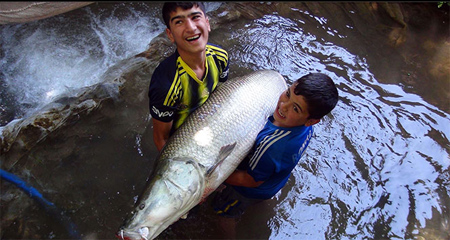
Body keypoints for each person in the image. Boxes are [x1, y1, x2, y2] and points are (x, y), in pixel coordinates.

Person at [211, 73, 339, 235]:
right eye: (287, 93)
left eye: (295, 108)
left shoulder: (272, 146)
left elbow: (251, 180)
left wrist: (214, 177)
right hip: (273, 184)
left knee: (224, 214)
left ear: (311, 121)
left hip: (247, 189)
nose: (283, 105)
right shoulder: (304, 128)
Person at [148, 2, 229, 151]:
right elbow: (161, 139)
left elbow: (223, 97)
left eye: (195, 17)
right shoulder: (165, 85)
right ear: (170, 34)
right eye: (179, 22)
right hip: (183, 143)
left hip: (211, 125)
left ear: (207, 23)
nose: (191, 28)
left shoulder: (220, 57)